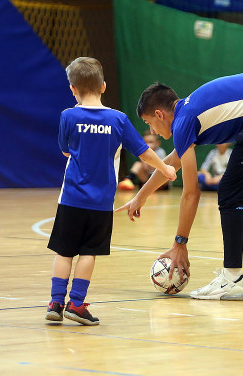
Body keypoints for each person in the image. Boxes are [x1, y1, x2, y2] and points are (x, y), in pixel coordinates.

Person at [116, 73, 243, 300]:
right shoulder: (189, 113)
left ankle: (231, 279)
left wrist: (180, 243)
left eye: (149, 123)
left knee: (229, 193)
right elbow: (171, 163)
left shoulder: (183, 120)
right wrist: (140, 196)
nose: (152, 131)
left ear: (160, 114)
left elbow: (191, 193)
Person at [46, 57, 176, 325]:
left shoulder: (68, 116)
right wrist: (165, 167)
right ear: (103, 86)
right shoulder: (118, 119)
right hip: (100, 202)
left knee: (64, 252)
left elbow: (66, 150)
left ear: (72, 89)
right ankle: (76, 304)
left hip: (70, 198)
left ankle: (56, 303)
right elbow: (143, 152)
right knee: (88, 252)